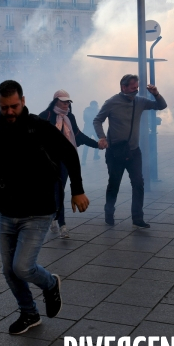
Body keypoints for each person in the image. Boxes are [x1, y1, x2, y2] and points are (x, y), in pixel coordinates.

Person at [0, 80, 90, 335]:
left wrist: (77, 190)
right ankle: (29, 313)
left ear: (23, 101)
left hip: (38, 210)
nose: (9, 112)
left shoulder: (40, 127)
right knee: (9, 271)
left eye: (14, 106)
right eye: (4, 107)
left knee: (23, 267)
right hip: (7, 210)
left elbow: (69, 154)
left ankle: (50, 284)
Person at [93, 74, 167, 228]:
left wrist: (156, 94)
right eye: (132, 88)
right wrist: (102, 137)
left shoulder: (139, 101)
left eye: (137, 88)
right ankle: (109, 211)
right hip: (115, 152)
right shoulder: (112, 102)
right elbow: (97, 120)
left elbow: (161, 106)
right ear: (123, 87)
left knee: (138, 183)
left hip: (133, 150)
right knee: (114, 183)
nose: (135, 91)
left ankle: (137, 217)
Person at [39, 90, 103, 239]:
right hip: (49, 161)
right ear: (55, 101)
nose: (66, 104)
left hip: (65, 161)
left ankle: (60, 223)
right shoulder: (46, 116)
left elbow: (78, 136)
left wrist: (97, 145)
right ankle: (57, 220)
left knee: (59, 190)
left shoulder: (70, 117)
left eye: (68, 101)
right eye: (63, 101)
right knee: (54, 190)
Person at [81, 101, 101, 165]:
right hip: (90, 128)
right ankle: (84, 160)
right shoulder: (90, 110)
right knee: (87, 144)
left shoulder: (96, 110)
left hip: (92, 128)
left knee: (98, 142)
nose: (95, 106)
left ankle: (95, 156)